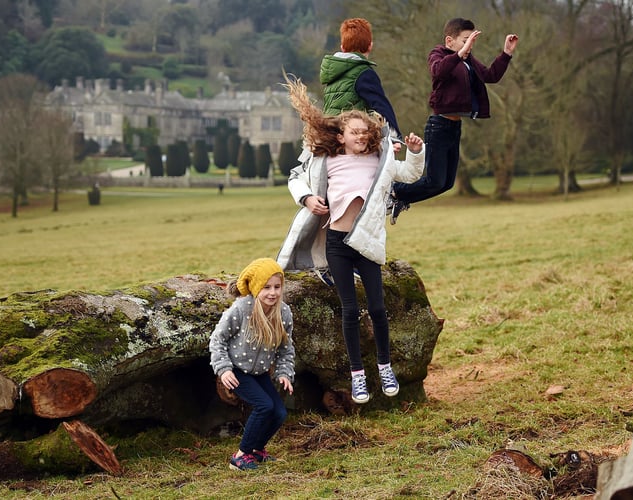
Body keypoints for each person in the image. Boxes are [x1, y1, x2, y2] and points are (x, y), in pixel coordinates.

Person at [277, 76, 425, 404]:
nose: (360, 136)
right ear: (341, 135)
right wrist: (306, 199)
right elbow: (295, 177)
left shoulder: (379, 160)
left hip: (367, 243)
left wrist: (415, 152)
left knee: (377, 307)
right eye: (354, 132)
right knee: (349, 310)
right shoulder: (324, 160)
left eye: (364, 132)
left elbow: (411, 174)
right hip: (337, 242)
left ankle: (385, 367)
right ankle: (358, 375)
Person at [389, 18, 519, 224]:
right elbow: (438, 71)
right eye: (465, 40)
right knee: (434, 180)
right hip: (438, 126)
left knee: (447, 183)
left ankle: (399, 197)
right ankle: (395, 191)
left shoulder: (468, 61)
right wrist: (459, 55)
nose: (469, 45)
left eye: (471, 41)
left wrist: (506, 54)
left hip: (454, 126)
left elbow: (490, 76)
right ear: (450, 41)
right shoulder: (438, 55)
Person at [208, 257, 295, 471]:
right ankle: (240, 456)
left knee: (279, 412)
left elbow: (286, 348)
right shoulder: (241, 309)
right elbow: (217, 339)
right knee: (264, 406)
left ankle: (256, 450)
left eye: (277, 287)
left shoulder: (283, 312)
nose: (272, 293)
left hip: (260, 372)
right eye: (266, 287)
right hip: (237, 371)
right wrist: (224, 369)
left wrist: (284, 372)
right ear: (256, 287)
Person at [320, 18, 402, 142]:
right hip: (355, 140)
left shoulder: (332, 74)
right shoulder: (364, 73)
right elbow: (380, 105)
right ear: (370, 46)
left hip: (331, 139)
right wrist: (394, 136)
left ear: (342, 47)